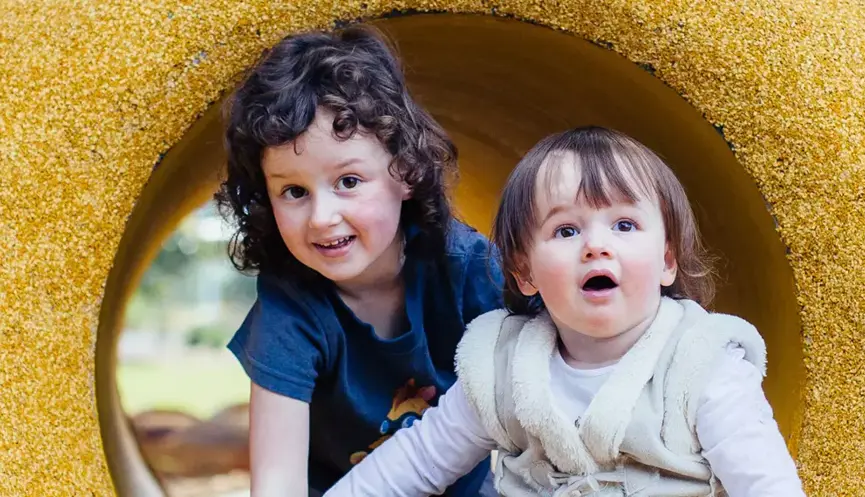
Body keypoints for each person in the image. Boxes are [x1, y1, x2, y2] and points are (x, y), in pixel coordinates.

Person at [324, 127, 806, 496]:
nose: (597, 245)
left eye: (623, 224)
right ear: (524, 271)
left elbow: (766, 483)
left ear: (666, 260)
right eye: (567, 231)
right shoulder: (502, 367)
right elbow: (419, 459)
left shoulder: (702, 368)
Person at [216, 25, 502, 497]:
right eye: (294, 192)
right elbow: (276, 482)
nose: (323, 218)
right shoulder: (292, 308)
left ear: (405, 172)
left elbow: (568, 361)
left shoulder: (464, 266)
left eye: (348, 181)